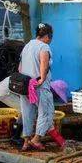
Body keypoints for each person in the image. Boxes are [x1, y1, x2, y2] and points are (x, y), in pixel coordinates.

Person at [19, 23, 65, 151]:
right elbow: (44, 64)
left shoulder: (27, 45)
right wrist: (42, 79)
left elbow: (19, 67)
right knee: (46, 112)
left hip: (25, 85)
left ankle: (26, 142)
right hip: (39, 85)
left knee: (27, 113)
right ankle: (36, 140)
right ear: (48, 36)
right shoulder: (44, 46)